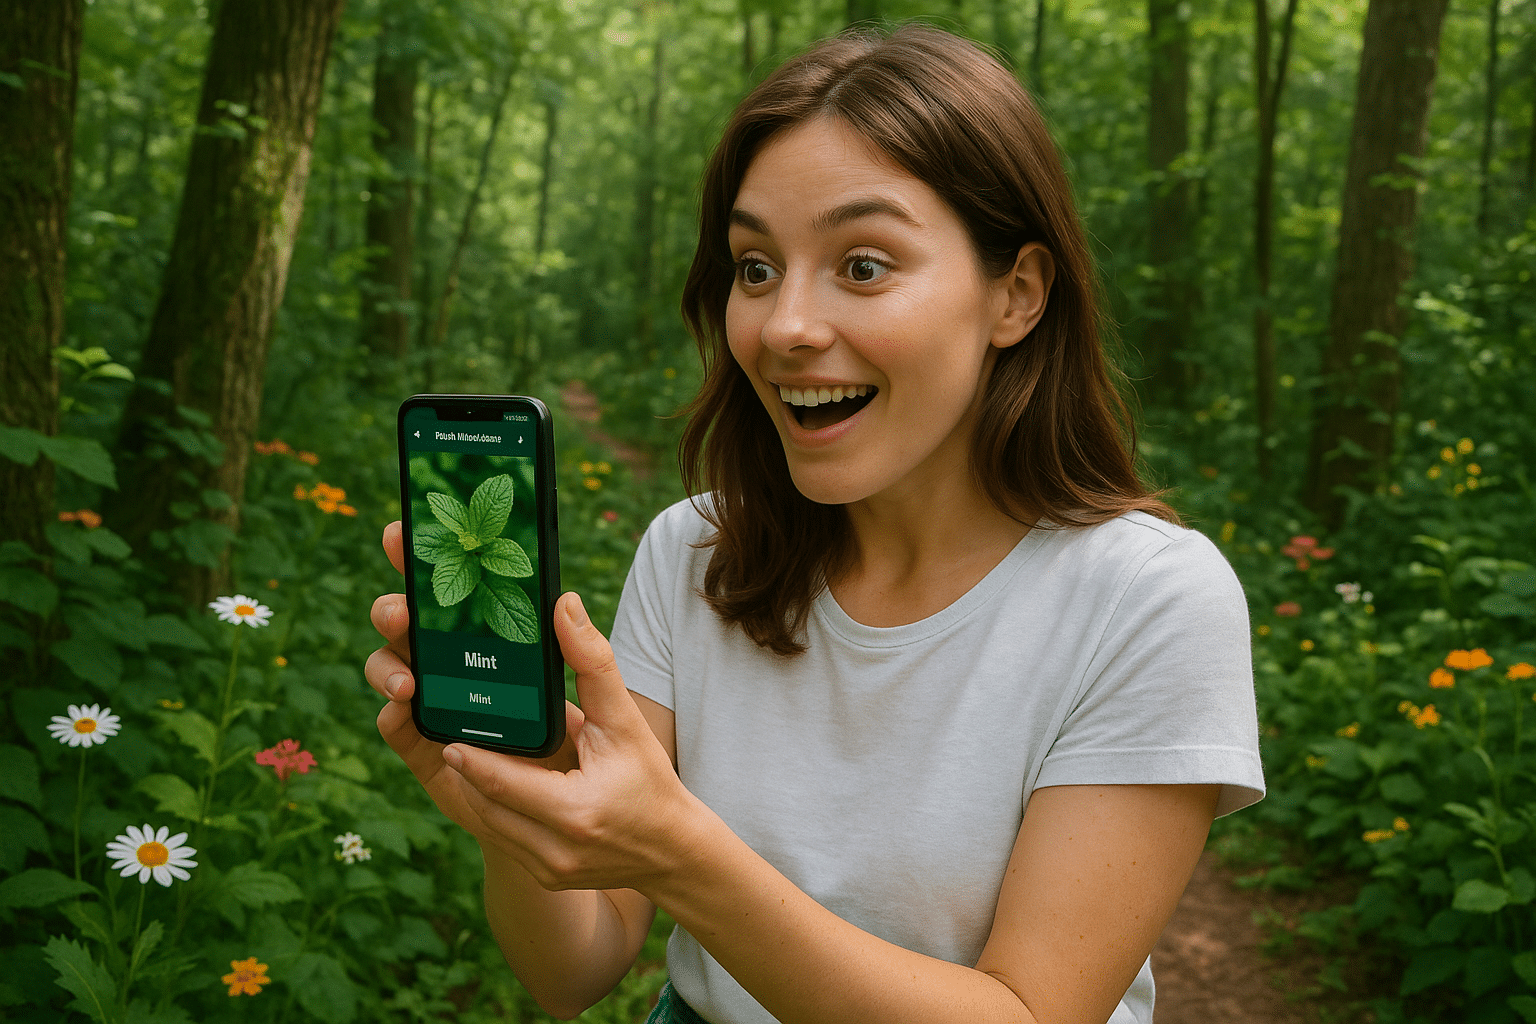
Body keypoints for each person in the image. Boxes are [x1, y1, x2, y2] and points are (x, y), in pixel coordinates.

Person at [366, 24, 1263, 1024]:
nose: (784, 325)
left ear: (1015, 295)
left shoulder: (1148, 601)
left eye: (864, 265)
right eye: (755, 267)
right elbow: (574, 970)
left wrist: (683, 855)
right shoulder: (692, 553)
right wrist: (514, 807)